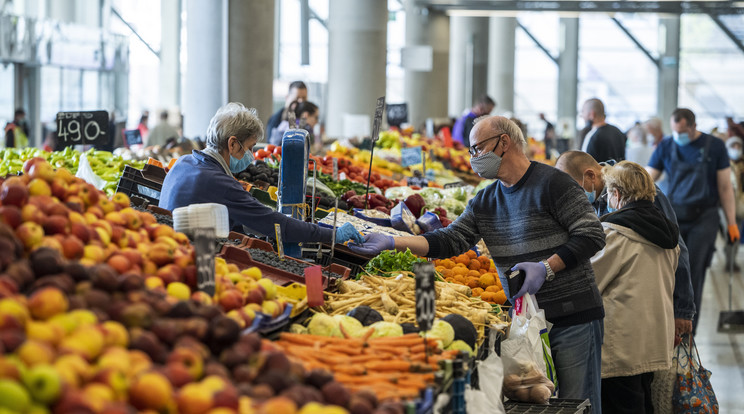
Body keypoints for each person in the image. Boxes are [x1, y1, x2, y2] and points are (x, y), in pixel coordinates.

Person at [351, 116, 607, 410]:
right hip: (527, 322)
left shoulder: (553, 184)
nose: (473, 159)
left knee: (579, 403)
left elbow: (592, 234)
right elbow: (449, 240)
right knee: (545, 406)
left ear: (504, 143)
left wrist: (547, 267)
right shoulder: (486, 200)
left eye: (476, 149)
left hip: (573, 317)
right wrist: (393, 240)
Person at [159, 102, 363, 246]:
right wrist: (333, 234)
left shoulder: (184, 162)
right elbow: (279, 226)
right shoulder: (218, 182)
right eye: (250, 147)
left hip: (174, 247)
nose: (251, 155)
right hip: (197, 260)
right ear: (232, 143)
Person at [554, 150, 695, 346]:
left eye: (573, 188)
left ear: (590, 176)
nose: (572, 195)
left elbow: (676, 249)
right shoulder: (597, 199)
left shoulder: (639, 191)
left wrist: (682, 310)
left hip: (645, 310)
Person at [588, 161, 679, 414]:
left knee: (621, 405)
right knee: (643, 402)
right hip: (654, 337)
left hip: (623, 342)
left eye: (608, 193)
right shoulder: (668, 233)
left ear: (616, 194)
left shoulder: (615, 234)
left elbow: (591, 281)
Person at [646, 107, 739, 333]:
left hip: (704, 217)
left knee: (694, 271)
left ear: (693, 126)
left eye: (683, 131)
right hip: (674, 216)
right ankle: (668, 325)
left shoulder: (714, 147)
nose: (679, 136)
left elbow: (725, 187)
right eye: (675, 131)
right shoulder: (667, 145)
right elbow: (647, 179)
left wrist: (731, 222)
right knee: (670, 269)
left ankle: (689, 329)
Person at [580, 98, 627, 163]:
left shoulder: (592, 136)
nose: (581, 116)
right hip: (620, 173)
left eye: (583, 112)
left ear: (592, 114)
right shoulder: (618, 131)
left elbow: (584, 164)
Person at [723, 136, 744, 271]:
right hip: (725, 206)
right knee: (729, 233)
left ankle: (733, 259)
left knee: (737, 233)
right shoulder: (723, 164)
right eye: (733, 146)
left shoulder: (742, 165)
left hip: (740, 205)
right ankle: (729, 260)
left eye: (738, 146)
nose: (736, 149)